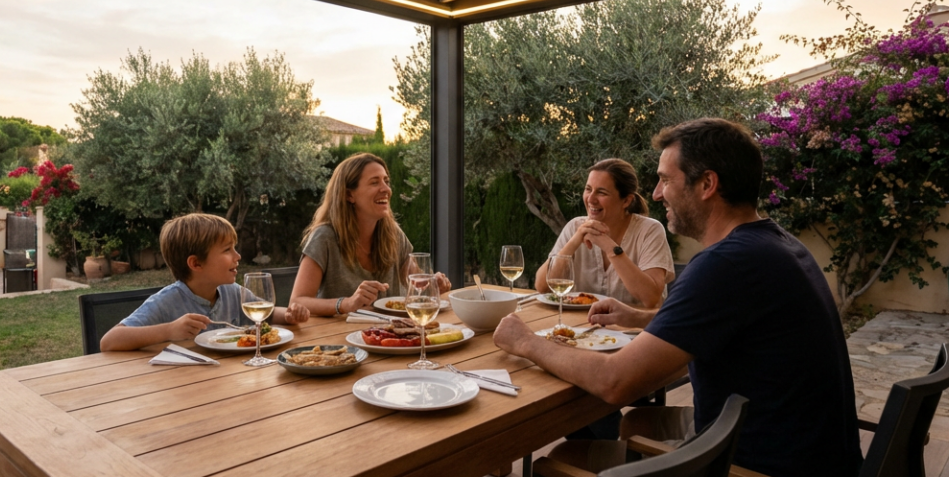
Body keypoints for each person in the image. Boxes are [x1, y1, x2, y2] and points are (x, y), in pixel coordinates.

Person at [494, 118, 862, 477]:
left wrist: (526, 342)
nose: (655, 194)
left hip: (753, 464)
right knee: (626, 427)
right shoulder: (775, 245)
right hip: (810, 453)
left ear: (707, 184)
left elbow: (614, 381)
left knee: (561, 461)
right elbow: (728, 327)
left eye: (666, 180)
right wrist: (639, 319)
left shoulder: (726, 265)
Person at [100, 213, 308, 351]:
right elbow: (109, 341)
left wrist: (289, 315)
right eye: (227, 250)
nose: (238, 256)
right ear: (196, 264)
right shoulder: (167, 301)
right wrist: (169, 330)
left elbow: (266, 316)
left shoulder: (233, 292)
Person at [290, 153, 450, 316]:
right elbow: (297, 301)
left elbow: (416, 281)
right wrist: (347, 303)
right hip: (339, 338)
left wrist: (432, 284)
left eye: (386, 182)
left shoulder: (394, 234)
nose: (386, 189)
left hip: (392, 335)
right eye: (374, 182)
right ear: (349, 195)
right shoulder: (325, 237)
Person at [532, 158, 674, 308]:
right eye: (588, 189)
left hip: (634, 329)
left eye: (601, 192)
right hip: (582, 326)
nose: (591, 199)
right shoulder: (575, 227)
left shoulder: (649, 230)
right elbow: (542, 287)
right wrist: (575, 241)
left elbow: (650, 298)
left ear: (626, 201)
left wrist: (610, 247)